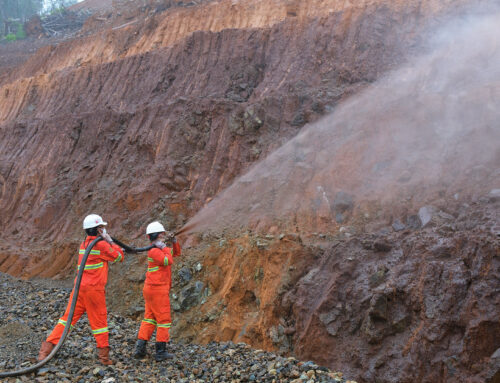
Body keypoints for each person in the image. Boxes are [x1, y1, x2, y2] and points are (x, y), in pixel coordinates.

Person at [37, 214, 125, 365]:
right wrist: (110, 241)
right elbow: (119, 256)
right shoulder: (101, 245)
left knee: (67, 319)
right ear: (98, 230)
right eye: (101, 228)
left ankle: (45, 351)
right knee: (100, 323)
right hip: (93, 291)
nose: (104, 229)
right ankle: (104, 358)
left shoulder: (84, 244)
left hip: (79, 289)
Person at [133, 221, 181, 361]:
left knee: (150, 318)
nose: (164, 236)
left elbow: (176, 254)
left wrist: (174, 242)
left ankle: (140, 349)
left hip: (153, 289)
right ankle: (161, 351)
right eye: (162, 234)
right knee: (164, 320)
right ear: (156, 235)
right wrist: (165, 247)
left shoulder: (158, 249)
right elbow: (168, 261)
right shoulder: (154, 251)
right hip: (157, 290)